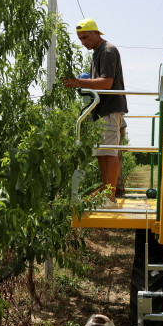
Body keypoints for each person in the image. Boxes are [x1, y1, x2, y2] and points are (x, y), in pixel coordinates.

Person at [64, 18, 127, 206]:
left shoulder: (107, 51)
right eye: (80, 39)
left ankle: (109, 198)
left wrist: (78, 82)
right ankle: (105, 194)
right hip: (100, 109)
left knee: (110, 153)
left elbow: (107, 83)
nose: (83, 42)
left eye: (85, 37)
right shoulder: (97, 53)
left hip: (109, 108)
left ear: (96, 33)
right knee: (102, 153)